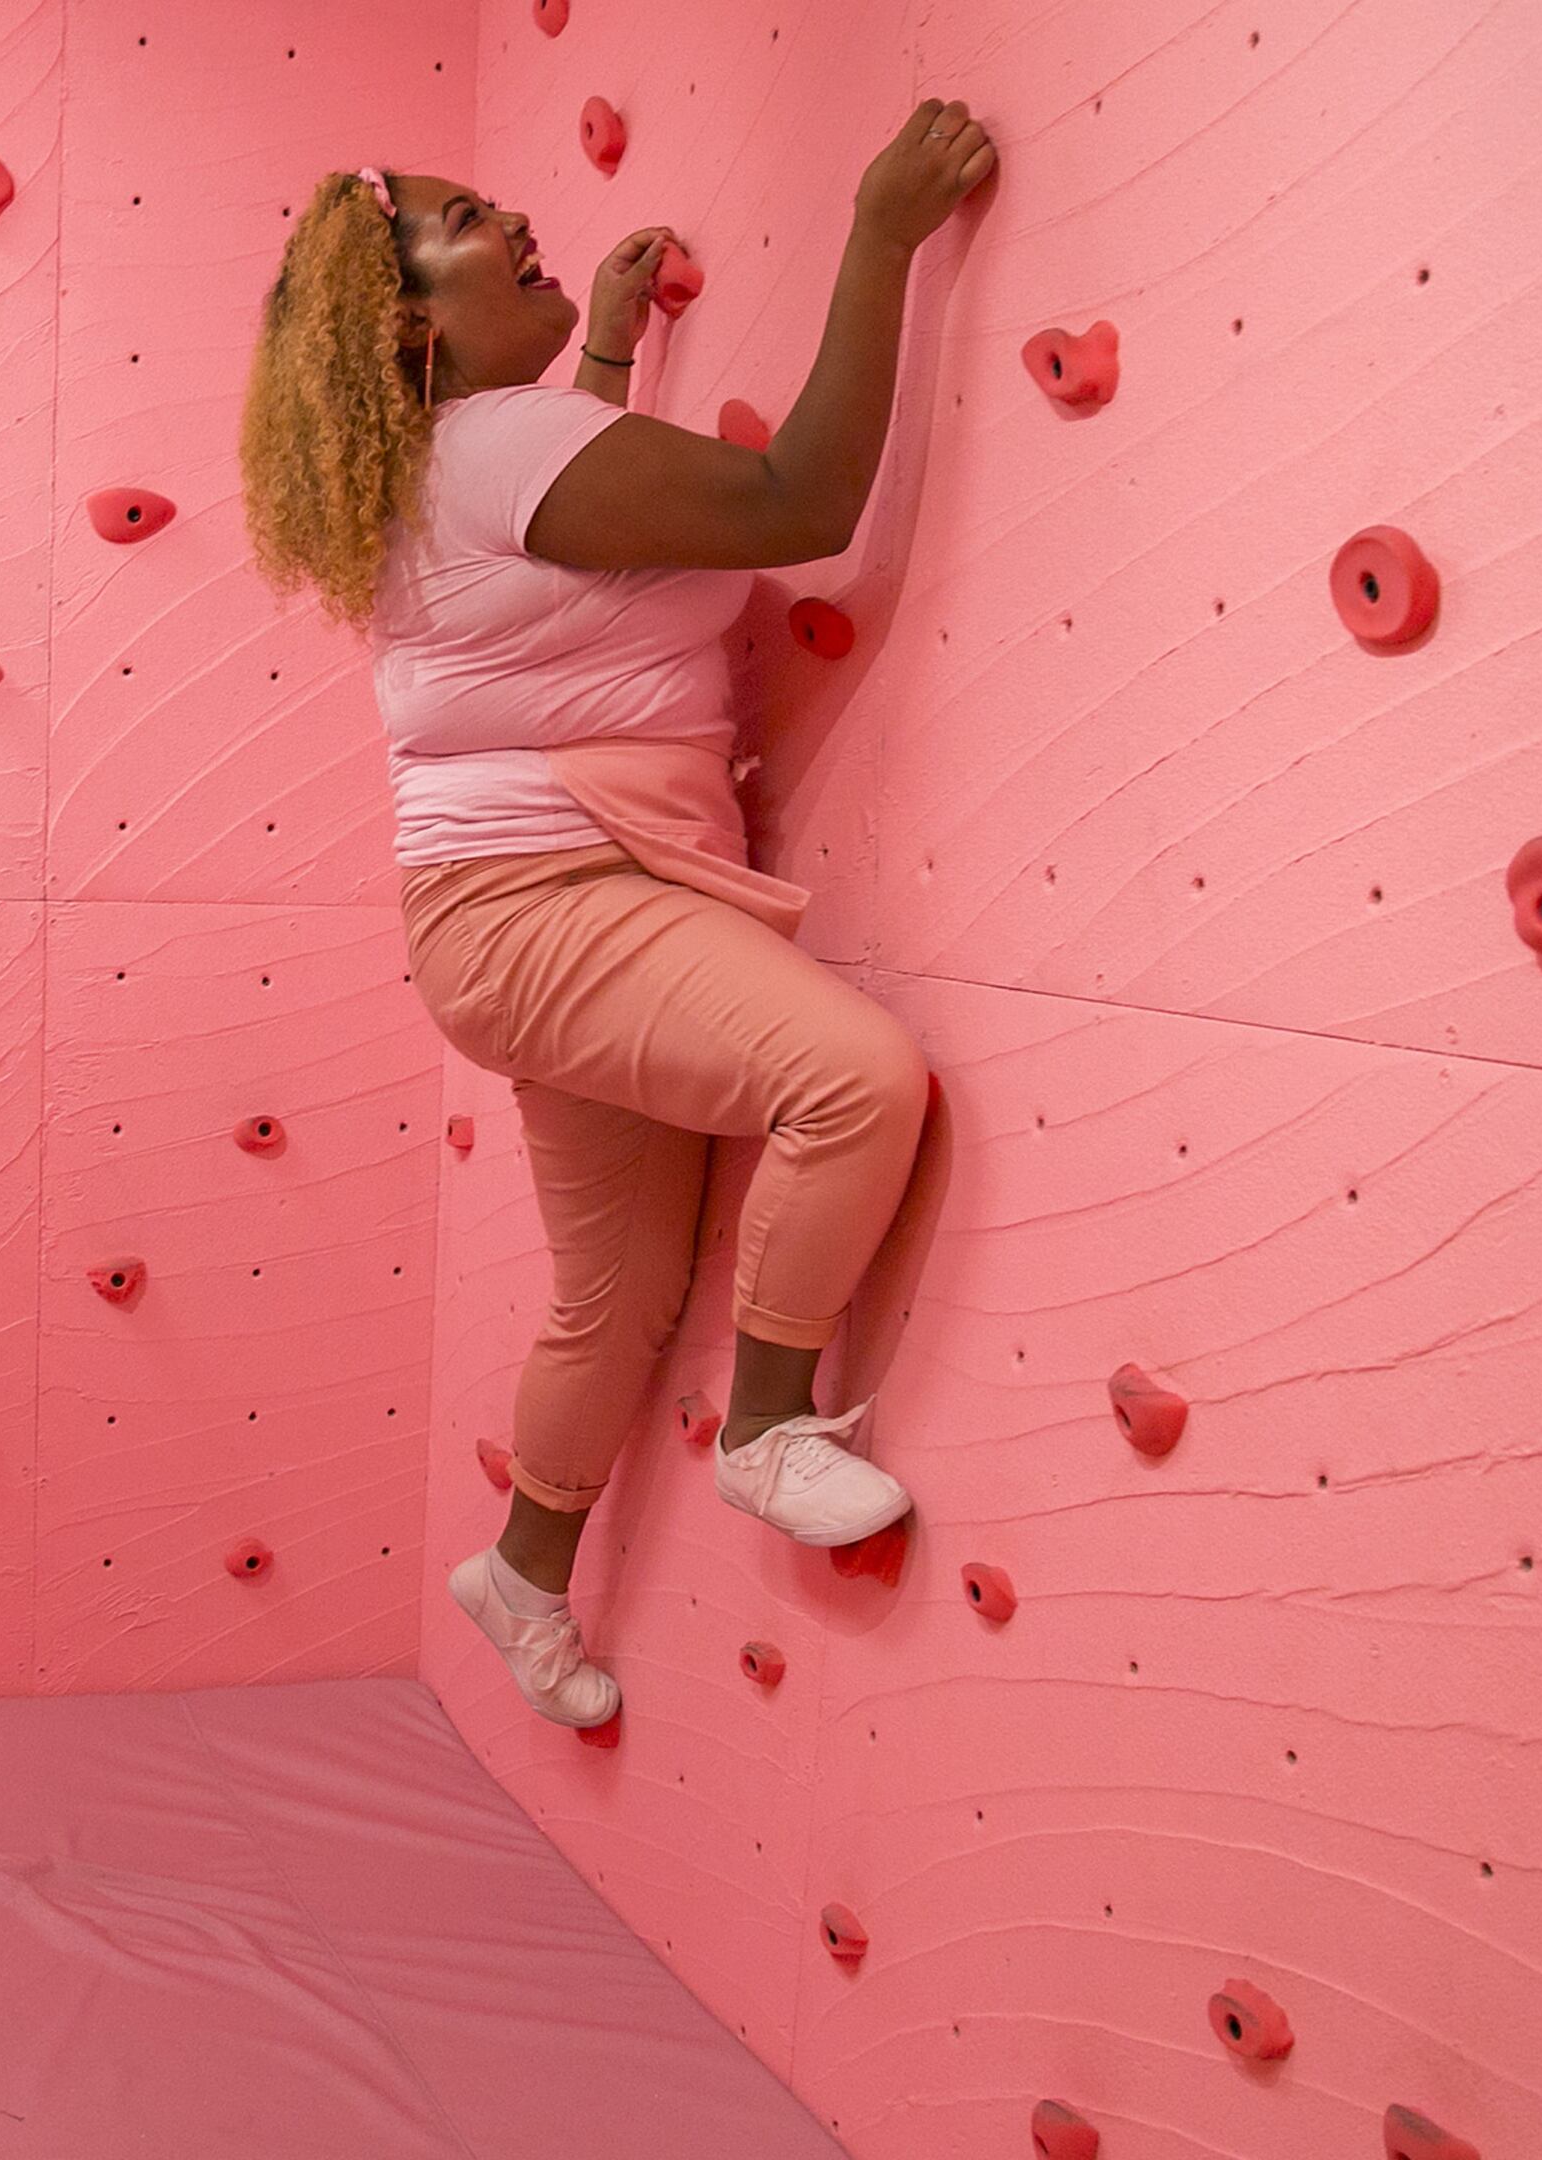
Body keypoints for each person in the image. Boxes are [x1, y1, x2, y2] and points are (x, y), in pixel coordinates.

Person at [237, 102, 1000, 1732]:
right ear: (412, 325)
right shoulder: (497, 450)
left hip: (514, 918)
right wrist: (883, 234)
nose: (513, 215)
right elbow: (796, 502)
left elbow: (586, 545)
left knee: (618, 1294)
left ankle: (522, 1576)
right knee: (853, 1080)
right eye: (465, 221)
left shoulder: (447, 463)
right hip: (553, 906)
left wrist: (605, 348)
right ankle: (771, 1427)